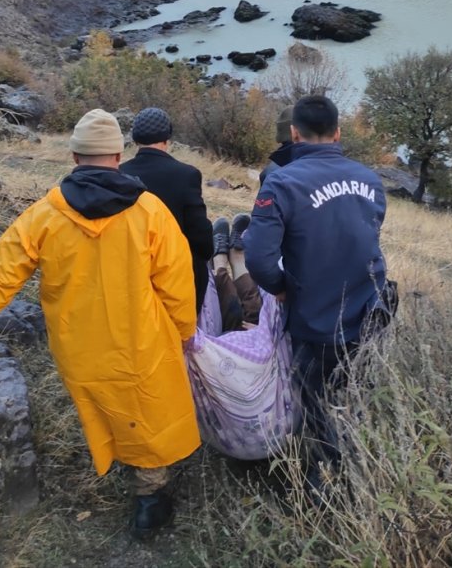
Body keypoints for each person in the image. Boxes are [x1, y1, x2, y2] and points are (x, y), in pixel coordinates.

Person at [0, 108, 200, 539]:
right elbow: (176, 282)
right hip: (141, 339)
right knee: (145, 407)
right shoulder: (150, 212)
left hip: (78, 346)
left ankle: (118, 463)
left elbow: (0, 273)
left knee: (102, 405)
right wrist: (184, 331)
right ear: (118, 155)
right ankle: (149, 499)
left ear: (73, 156)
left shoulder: (44, 215)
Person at [243, 94, 389, 473]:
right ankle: (360, 453)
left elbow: (258, 258)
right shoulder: (370, 180)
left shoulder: (281, 183)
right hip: (370, 310)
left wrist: (280, 286)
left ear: (293, 133)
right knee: (353, 384)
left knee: (313, 394)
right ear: (339, 132)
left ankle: (325, 475)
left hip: (315, 317)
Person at [121, 107, 214, 312]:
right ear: (167, 137)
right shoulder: (187, 175)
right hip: (175, 276)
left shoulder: (119, 173)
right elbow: (202, 240)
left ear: (135, 139)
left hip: (129, 269)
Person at [211, 214, 260, 331]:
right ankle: (237, 261)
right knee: (255, 309)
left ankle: (219, 263)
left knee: (233, 313)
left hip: (226, 341)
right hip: (257, 341)